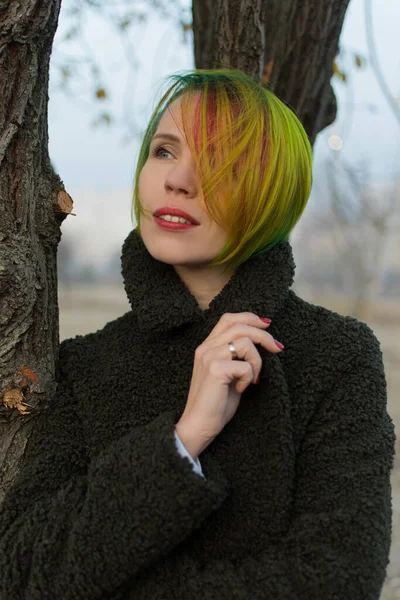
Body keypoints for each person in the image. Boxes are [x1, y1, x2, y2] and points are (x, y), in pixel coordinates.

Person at [0, 68, 396, 600]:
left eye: (218, 163)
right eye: (164, 151)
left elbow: (339, 579)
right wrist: (184, 439)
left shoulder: (337, 357)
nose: (178, 179)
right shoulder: (86, 366)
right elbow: (20, 572)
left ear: (270, 194)